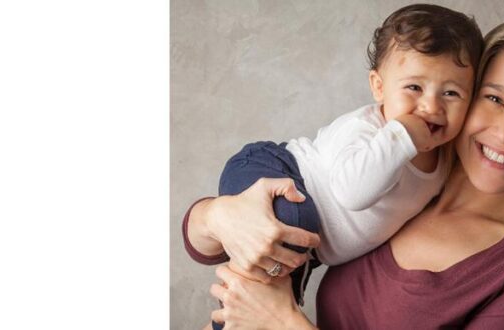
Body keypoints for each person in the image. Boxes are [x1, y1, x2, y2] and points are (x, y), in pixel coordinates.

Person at [187, 11, 504, 329]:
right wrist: (219, 216)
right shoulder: (407, 178)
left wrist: (283, 323)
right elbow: (207, 238)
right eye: (494, 98)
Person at [181, 5, 484, 325]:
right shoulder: (368, 130)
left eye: (451, 93)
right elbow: (352, 193)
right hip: (279, 173)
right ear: (379, 87)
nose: (431, 106)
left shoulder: (444, 161)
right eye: (414, 88)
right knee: (293, 222)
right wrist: (400, 136)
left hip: (309, 250)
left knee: (276, 294)